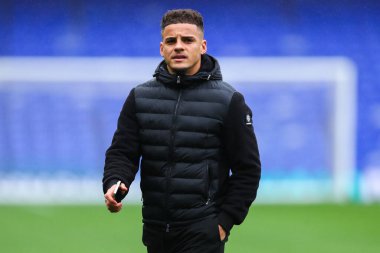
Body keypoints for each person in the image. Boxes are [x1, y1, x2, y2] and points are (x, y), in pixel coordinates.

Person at [103, 9, 261, 253]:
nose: (178, 46)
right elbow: (123, 152)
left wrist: (224, 222)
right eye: (171, 41)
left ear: (203, 46)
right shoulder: (140, 97)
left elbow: (247, 169)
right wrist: (115, 182)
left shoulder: (229, 101)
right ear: (161, 48)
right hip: (155, 229)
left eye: (187, 40)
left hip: (204, 229)